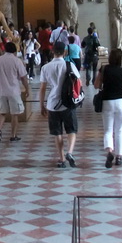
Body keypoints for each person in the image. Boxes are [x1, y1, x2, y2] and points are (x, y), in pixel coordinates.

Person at [39, 40, 79, 168]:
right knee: (71, 129)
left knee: (57, 132)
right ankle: (70, 152)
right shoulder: (69, 65)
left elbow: (43, 88)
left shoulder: (45, 67)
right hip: (68, 103)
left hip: (52, 103)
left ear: (52, 51)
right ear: (65, 52)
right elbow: (77, 82)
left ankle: (61, 159)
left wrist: (41, 105)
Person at [93, 48, 122, 167]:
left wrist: (103, 82)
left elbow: (96, 85)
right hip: (120, 103)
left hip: (107, 102)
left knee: (108, 130)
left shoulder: (104, 69)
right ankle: (119, 157)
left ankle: (109, 151)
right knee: (119, 130)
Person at [0, 41, 28, 142]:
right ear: (14, 51)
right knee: (14, 114)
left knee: (2, 113)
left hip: (1, 91)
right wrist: (27, 88)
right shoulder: (17, 61)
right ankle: (13, 135)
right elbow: (23, 77)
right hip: (13, 92)